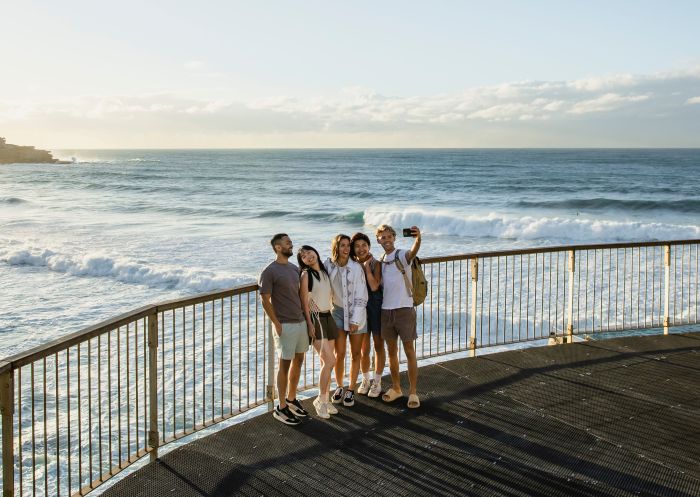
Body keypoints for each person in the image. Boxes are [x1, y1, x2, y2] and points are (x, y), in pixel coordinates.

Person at [259, 233, 309, 426]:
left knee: (299, 360)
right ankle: (280, 407)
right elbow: (265, 299)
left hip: (300, 322)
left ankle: (291, 398)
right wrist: (276, 323)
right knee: (285, 365)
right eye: (287, 243)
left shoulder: (294, 268)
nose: (291, 245)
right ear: (278, 248)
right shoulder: (269, 271)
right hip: (285, 324)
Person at [376, 224, 422, 409]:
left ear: (394, 237)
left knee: (409, 351)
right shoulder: (380, 261)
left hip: (404, 309)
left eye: (389, 236)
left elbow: (414, 251)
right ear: (378, 240)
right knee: (391, 352)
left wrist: (418, 238)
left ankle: (413, 392)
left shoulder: (402, 255)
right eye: (382, 237)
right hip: (386, 311)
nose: (386, 240)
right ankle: (396, 388)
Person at [324, 234, 368, 407]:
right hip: (337, 313)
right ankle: (340, 386)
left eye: (348, 245)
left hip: (356, 313)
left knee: (356, 353)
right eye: (342, 245)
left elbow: (361, 296)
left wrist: (355, 319)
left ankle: (351, 389)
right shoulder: (329, 265)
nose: (346, 249)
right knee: (339, 354)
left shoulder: (356, 268)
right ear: (336, 247)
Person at [297, 245, 339, 419]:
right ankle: (320, 401)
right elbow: (304, 303)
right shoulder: (306, 275)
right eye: (304, 256)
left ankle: (325, 399)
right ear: (302, 261)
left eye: (309, 252)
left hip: (328, 317)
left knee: (326, 363)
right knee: (330, 360)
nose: (308, 256)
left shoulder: (324, 272)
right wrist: (309, 324)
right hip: (316, 319)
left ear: (315, 252)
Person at [350, 232, 385, 398]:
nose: (361, 248)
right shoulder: (350, 265)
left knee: (378, 345)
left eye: (364, 245)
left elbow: (374, 287)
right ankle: (365, 379)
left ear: (369, 246)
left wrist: (365, 268)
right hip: (359, 308)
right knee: (364, 349)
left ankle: (377, 381)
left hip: (375, 306)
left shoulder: (376, 264)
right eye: (357, 246)